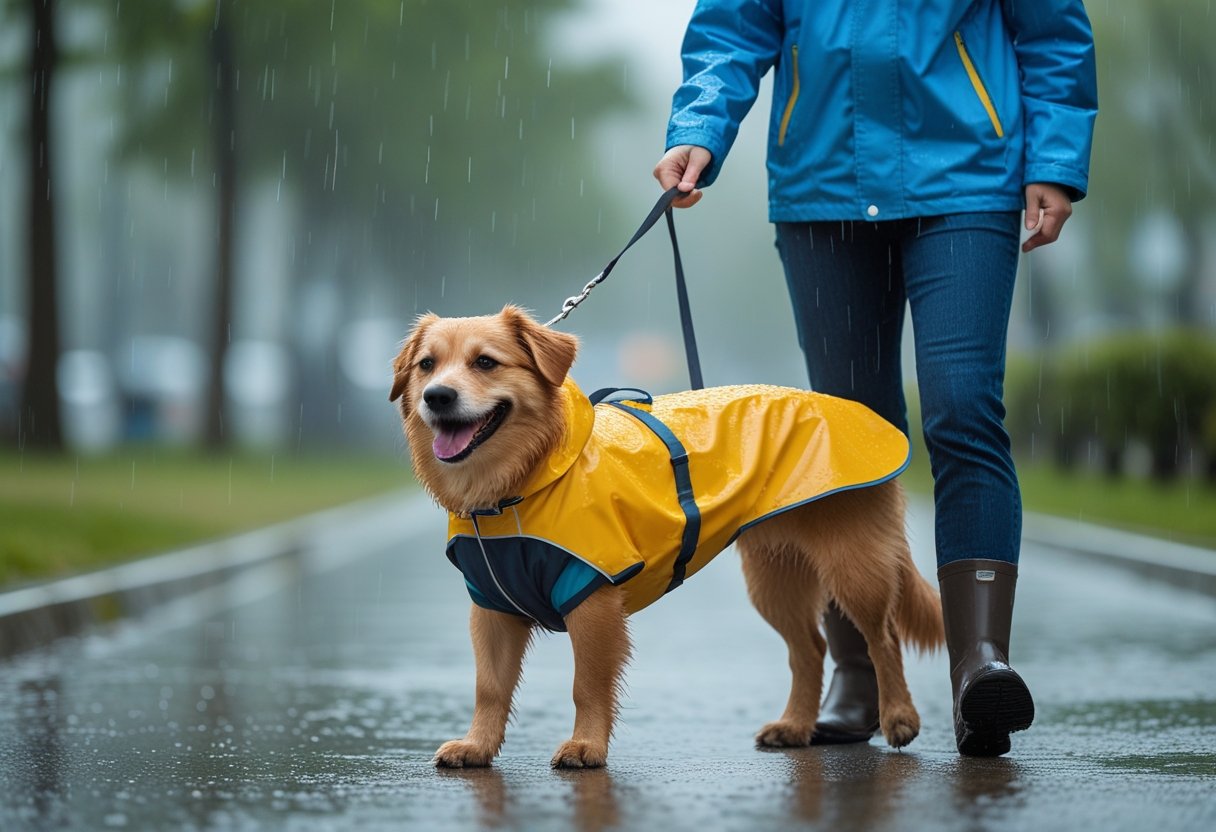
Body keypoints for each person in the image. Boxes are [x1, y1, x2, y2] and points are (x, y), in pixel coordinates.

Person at [654, 0, 1097, 756]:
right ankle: (859, 674)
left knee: (962, 406)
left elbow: (1052, 29)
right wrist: (700, 126)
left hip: (966, 177)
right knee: (847, 437)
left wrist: (1053, 159)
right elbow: (732, 27)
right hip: (821, 185)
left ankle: (978, 667)